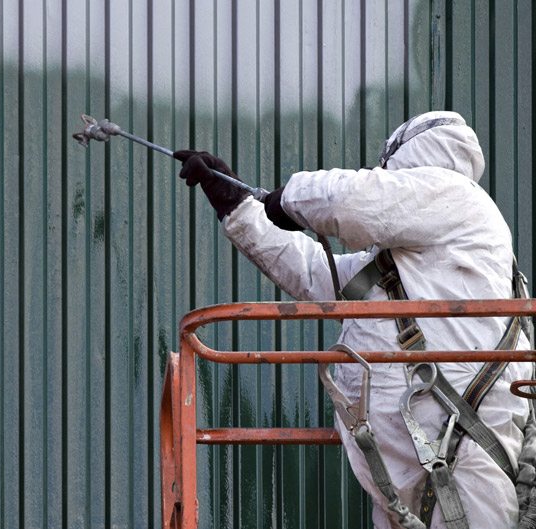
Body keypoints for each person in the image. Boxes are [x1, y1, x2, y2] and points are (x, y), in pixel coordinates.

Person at [174, 111, 533, 529]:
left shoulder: (458, 199)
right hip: (413, 455)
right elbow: (315, 275)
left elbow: (354, 202)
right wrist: (237, 207)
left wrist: (288, 199)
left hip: (462, 443)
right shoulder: (409, 258)